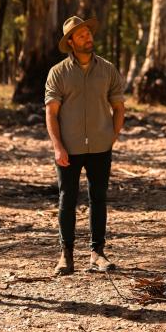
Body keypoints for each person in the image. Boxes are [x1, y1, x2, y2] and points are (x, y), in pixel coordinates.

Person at [45, 16, 126, 275]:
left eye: (88, 33)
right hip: (68, 148)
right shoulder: (58, 73)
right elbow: (51, 112)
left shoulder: (108, 69)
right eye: (81, 35)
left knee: (98, 199)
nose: (88, 38)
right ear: (70, 42)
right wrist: (58, 146)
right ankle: (65, 255)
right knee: (67, 199)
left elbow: (119, 106)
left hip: (101, 147)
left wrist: (112, 136)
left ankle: (97, 253)